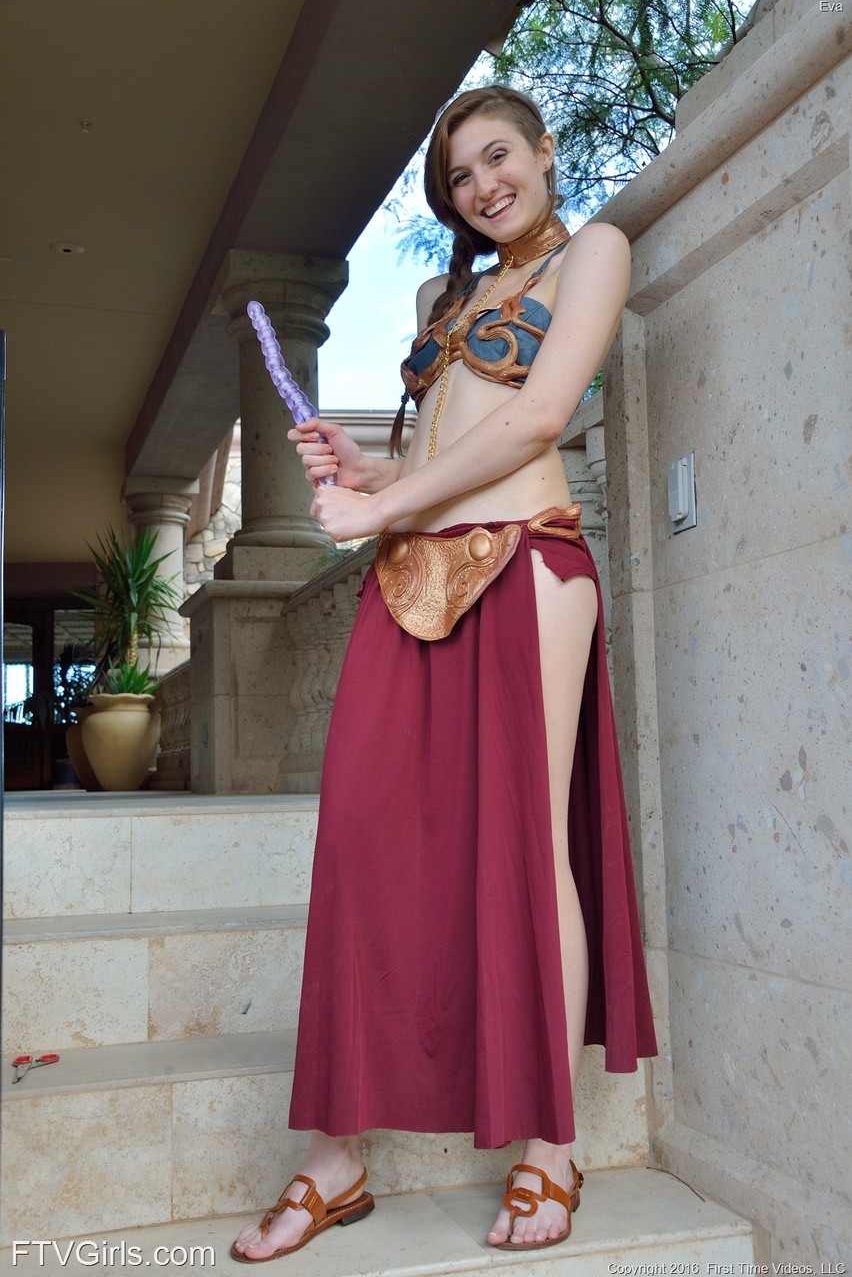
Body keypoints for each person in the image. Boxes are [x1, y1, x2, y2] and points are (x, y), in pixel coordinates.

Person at [231, 84, 656, 1264]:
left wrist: (377, 509)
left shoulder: (594, 253)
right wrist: (368, 469)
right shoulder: (442, 296)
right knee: (362, 841)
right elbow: (437, 447)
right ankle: (337, 1158)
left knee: (527, 846)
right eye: (461, 175)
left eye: (498, 157)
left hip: (531, 565)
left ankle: (551, 1146)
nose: (482, 187)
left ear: (546, 151)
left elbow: (535, 420)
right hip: (411, 575)